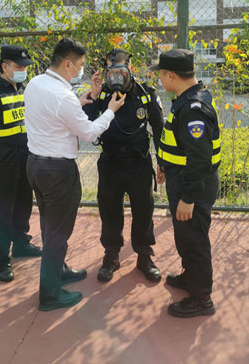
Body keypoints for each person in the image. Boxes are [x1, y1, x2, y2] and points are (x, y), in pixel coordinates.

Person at [24, 38, 125, 311]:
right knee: (58, 232)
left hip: (35, 165)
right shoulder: (62, 96)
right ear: (68, 64)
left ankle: (58, 271)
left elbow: (54, 115)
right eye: (80, 64)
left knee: (49, 225)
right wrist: (110, 111)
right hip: (57, 171)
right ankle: (50, 294)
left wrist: (83, 100)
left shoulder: (36, 83)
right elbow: (89, 133)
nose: (81, 69)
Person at [150, 49, 221, 318]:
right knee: (186, 236)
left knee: (194, 240)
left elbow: (200, 159)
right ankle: (192, 277)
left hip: (194, 185)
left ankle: (201, 298)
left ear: (171, 75)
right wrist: (164, 164)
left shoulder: (193, 109)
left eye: (160, 75)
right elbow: (180, 145)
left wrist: (188, 198)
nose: (159, 80)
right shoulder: (187, 99)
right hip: (183, 179)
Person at [83, 48, 164, 283]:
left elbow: (158, 128)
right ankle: (111, 255)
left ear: (129, 69)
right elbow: (86, 124)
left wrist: (162, 162)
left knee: (144, 209)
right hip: (110, 162)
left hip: (138, 162)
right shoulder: (101, 95)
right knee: (109, 210)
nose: (116, 77)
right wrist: (94, 96)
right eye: (111, 72)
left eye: (120, 71)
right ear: (105, 73)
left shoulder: (146, 94)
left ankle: (144, 256)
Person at [0, 45, 42, 283]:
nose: (23, 70)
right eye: (18, 66)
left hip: (24, 159)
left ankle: (21, 244)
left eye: (25, 66)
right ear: (5, 66)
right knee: (0, 212)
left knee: (23, 205)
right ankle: (0, 260)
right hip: (1, 164)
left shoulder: (23, 89)